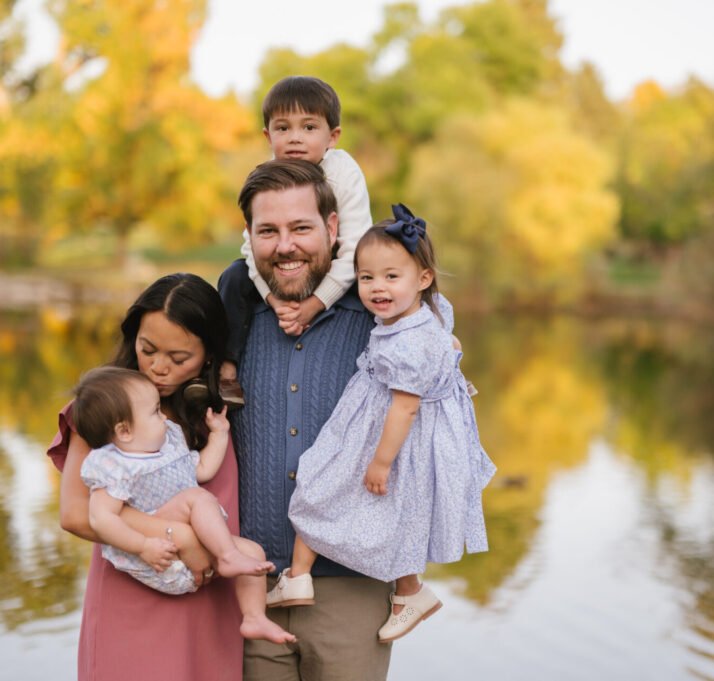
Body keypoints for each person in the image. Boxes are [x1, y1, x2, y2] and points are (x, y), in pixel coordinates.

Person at [268, 205, 496, 642]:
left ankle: (315, 578)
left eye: (392, 277)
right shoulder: (422, 315)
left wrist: (380, 462)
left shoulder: (409, 341)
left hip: (392, 433)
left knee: (324, 483)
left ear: (423, 279)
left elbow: (405, 408)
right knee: (357, 496)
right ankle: (337, 582)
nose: (377, 288)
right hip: (385, 421)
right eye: (367, 278)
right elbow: (449, 338)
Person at [218, 159, 386, 680]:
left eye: (301, 228)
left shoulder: (382, 322)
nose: (284, 246)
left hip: (350, 586)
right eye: (268, 230)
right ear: (249, 237)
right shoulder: (226, 323)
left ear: (333, 229)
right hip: (249, 588)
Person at [47, 273, 245, 680]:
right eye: (147, 349)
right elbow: (75, 513)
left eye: (178, 358)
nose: (158, 368)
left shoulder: (217, 414)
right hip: (134, 590)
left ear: (208, 354)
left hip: (210, 603)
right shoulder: (105, 412)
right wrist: (181, 537)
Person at [71, 366, 295, 644]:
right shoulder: (113, 463)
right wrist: (142, 545)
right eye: (155, 412)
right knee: (196, 497)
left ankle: (254, 618)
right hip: (157, 556)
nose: (163, 417)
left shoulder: (166, 447)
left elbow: (201, 469)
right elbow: (102, 519)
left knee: (254, 551)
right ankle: (226, 557)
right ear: (124, 431)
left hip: (192, 556)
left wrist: (220, 435)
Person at [216, 75, 373, 406]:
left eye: (309, 128)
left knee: (385, 273)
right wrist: (276, 303)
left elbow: (356, 251)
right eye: (283, 128)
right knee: (233, 276)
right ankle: (226, 368)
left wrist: (312, 306)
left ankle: (424, 340)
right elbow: (251, 251)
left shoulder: (343, 171)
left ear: (333, 136)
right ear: (267, 135)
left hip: (345, 262)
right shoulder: (265, 178)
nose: (295, 138)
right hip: (284, 279)